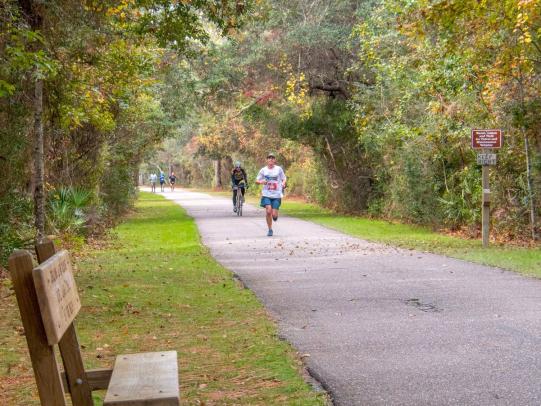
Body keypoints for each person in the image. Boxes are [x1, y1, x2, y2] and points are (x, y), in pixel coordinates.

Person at [256, 152, 286, 237]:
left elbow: (284, 178)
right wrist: (262, 181)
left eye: (272, 158)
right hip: (266, 194)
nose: (271, 159)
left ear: (275, 160)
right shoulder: (263, 170)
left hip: (276, 195)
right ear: (267, 160)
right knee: (268, 211)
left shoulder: (279, 169)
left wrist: (283, 183)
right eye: (269, 158)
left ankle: (275, 216)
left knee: (274, 214)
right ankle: (270, 229)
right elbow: (257, 180)